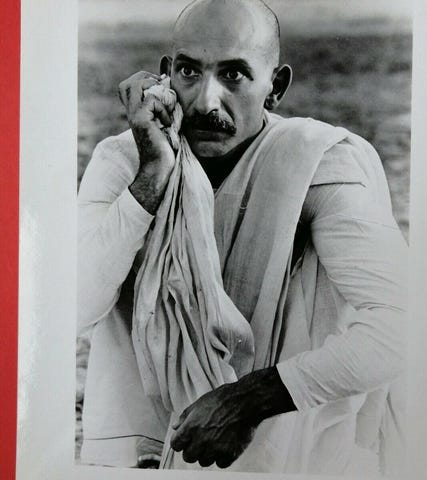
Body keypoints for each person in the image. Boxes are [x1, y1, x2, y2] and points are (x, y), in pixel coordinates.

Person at [78, 0, 407, 475]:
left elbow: (406, 323)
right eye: (189, 71)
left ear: (276, 88)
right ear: (165, 73)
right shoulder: (125, 161)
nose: (205, 101)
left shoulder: (317, 165)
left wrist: (248, 401)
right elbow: (67, 311)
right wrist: (151, 179)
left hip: (278, 457)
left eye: (233, 75)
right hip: (139, 456)